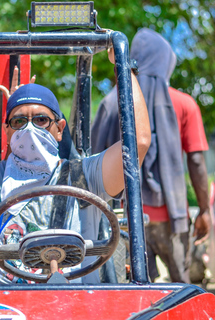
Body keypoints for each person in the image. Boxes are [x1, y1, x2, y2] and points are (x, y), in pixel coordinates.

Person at [0, 50, 151, 285]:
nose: (30, 129)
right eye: (19, 121)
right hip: (7, 305)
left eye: (41, 120)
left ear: (60, 129)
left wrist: (124, 67)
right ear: (7, 131)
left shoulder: (85, 176)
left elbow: (138, 143)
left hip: (75, 305)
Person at [91, 28, 210, 283]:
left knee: (134, 289)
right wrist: (203, 209)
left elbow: (93, 157)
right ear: (165, 62)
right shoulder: (185, 103)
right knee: (180, 287)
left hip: (124, 217)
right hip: (171, 215)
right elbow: (197, 161)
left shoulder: (112, 103)